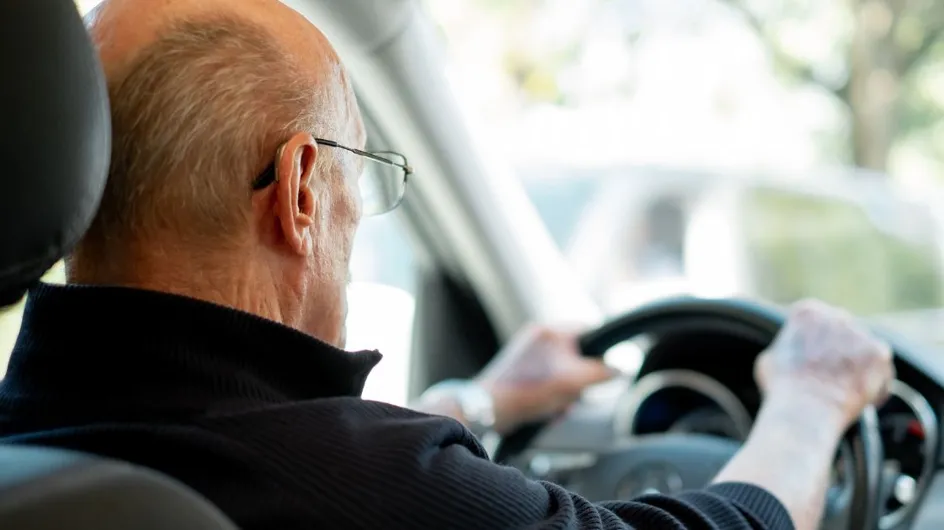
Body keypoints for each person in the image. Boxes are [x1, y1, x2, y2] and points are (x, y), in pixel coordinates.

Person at [0, 1, 894, 529]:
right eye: (365, 171)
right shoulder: (367, 484)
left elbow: (248, 445)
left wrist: (476, 403)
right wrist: (812, 402)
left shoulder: (30, 450)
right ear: (303, 190)